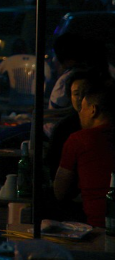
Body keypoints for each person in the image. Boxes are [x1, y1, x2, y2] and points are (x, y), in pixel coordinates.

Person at [53, 79, 115, 227]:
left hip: (98, 225)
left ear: (93, 110)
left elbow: (59, 192)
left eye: (82, 108)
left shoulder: (79, 140)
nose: (80, 113)